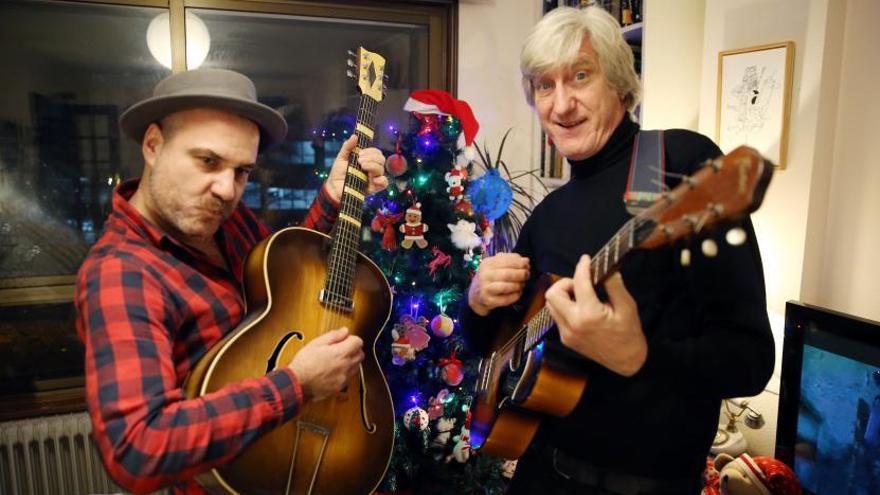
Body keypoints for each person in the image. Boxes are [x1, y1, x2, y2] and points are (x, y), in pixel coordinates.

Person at [462, 7, 775, 495]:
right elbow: (494, 346)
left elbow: (751, 362)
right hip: (539, 476)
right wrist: (478, 302)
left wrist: (641, 357)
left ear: (620, 84)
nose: (561, 104)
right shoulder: (548, 214)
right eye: (545, 86)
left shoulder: (677, 167)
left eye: (580, 76)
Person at [74, 68, 389, 494]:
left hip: (285, 459)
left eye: (242, 171)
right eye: (208, 161)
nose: (227, 190)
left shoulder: (222, 219)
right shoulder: (122, 272)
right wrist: (296, 385)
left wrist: (333, 196)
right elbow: (138, 449)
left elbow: (280, 281)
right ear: (153, 145)